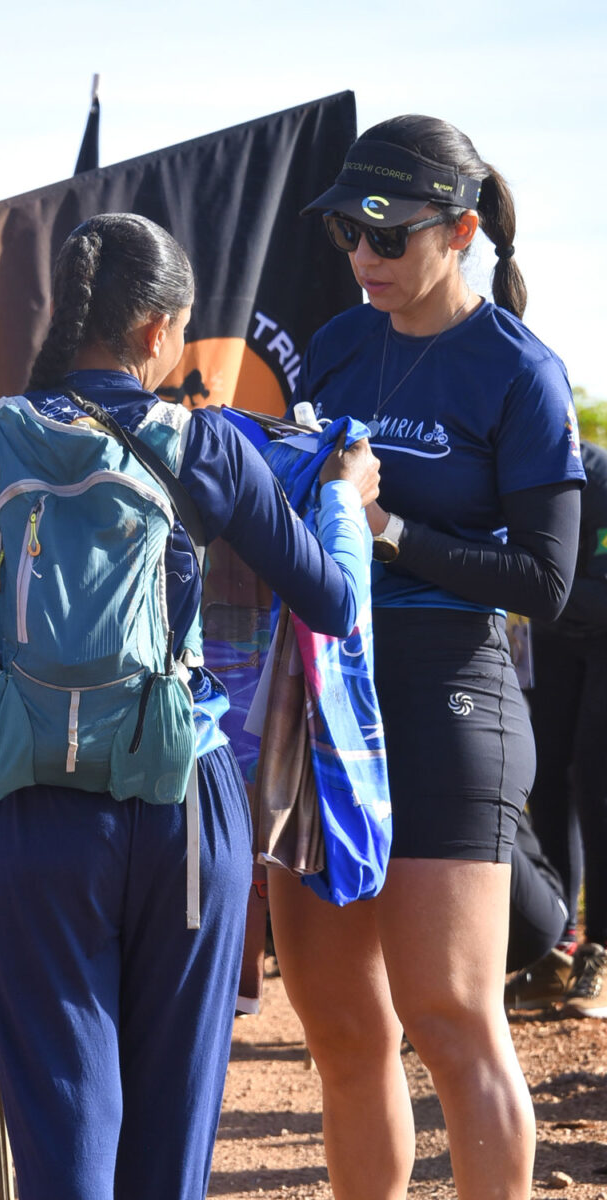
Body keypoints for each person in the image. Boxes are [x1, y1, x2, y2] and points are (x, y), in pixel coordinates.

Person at [0, 212, 379, 1200]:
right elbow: (332, 601)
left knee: (63, 1111)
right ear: (158, 329)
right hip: (183, 809)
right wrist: (342, 495)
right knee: (172, 1123)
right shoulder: (206, 443)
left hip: (30, 804)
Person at [269, 116, 585, 1200]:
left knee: (449, 1017)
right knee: (342, 1027)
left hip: (451, 690)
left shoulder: (520, 371)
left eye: (389, 237)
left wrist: (389, 528)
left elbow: (547, 582)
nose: (364, 258)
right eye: (349, 236)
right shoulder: (338, 344)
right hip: (328, 685)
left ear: (459, 232)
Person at [517, 437, 607, 1018]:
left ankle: (601, 947)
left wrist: (521, 578)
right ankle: (558, 946)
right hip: (552, 632)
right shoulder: (511, 464)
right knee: (545, 777)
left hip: (601, 630)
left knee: (595, 781)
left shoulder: (599, 480)